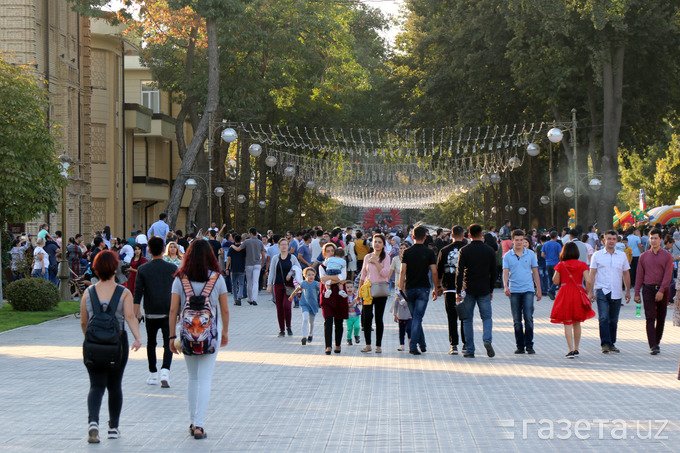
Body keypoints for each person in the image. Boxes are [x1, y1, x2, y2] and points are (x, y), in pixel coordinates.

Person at [169, 239, 229, 440]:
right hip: (210, 335)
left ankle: (193, 420)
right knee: (205, 378)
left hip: (186, 335)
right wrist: (225, 332)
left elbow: (173, 311)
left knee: (192, 378)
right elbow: (225, 309)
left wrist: (171, 336)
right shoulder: (217, 279)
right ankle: (200, 425)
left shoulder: (180, 279)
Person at [80, 250, 142, 443]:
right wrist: (138, 338)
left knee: (96, 385)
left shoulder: (88, 293)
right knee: (115, 385)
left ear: (96, 269)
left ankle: (93, 423)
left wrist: (90, 339)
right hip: (117, 344)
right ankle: (113, 428)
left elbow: (84, 321)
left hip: (93, 345)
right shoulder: (124, 293)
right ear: (115, 268)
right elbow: (130, 317)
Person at [456, 224, 497, 359]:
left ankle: (470, 349)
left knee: (467, 319)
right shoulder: (490, 250)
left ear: (469, 235)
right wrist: (491, 289)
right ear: (482, 234)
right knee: (486, 317)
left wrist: (458, 291)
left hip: (469, 289)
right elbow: (494, 272)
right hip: (484, 288)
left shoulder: (464, 250)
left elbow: (459, 272)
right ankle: (487, 340)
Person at [587, 230, 631, 354]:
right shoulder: (597, 255)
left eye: (613, 239)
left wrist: (628, 291)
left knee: (613, 319)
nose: (611, 241)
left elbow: (626, 273)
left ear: (617, 240)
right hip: (601, 290)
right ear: (603, 240)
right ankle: (605, 343)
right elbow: (592, 273)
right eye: (609, 239)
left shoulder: (622, 255)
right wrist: (590, 291)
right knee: (603, 317)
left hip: (616, 291)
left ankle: (612, 343)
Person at [398, 225, 439, 356]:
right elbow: (434, 271)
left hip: (410, 288)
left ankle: (422, 344)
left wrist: (400, 287)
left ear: (413, 237)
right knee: (417, 317)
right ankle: (413, 345)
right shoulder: (429, 252)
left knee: (416, 317)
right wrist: (436, 288)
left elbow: (402, 271)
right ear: (425, 237)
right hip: (423, 289)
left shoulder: (407, 252)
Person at [551, 242, 596, 357]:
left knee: (567, 322)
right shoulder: (582, 265)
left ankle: (570, 349)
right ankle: (577, 348)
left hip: (565, 292)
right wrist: (586, 291)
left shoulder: (561, 265)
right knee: (577, 322)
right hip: (578, 292)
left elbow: (555, 281)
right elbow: (589, 280)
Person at [634, 228, 674, 355]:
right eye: (651, 238)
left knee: (661, 317)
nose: (654, 240)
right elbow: (639, 275)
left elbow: (668, 276)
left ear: (661, 239)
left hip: (663, 289)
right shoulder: (643, 257)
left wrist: (661, 290)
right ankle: (653, 345)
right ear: (649, 239)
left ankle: (657, 341)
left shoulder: (667, 256)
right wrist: (636, 292)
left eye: (656, 238)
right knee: (650, 317)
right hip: (648, 289)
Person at [502, 229, 542, 355]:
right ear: (512, 241)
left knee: (529, 318)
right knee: (517, 320)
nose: (519, 242)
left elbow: (535, 272)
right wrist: (505, 286)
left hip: (528, 290)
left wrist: (539, 289)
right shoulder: (507, 256)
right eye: (517, 240)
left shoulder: (530, 254)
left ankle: (529, 345)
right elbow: (505, 272)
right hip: (514, 290)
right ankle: (520, 346)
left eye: (521, 240)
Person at [437, 225, 467, 355]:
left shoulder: (444, 250)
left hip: (448, 287)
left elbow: (438, 270)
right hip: (465, 289)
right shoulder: (467, 249)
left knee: (451, 317)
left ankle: (453, 345)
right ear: (463, 235)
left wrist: (437, 287)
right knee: (465, 317)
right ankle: (466, 344)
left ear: (451, 235)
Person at [359, 234, 392, 353]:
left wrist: (376, 262)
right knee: (367, 317)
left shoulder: (386, 257)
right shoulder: (367, 256)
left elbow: (385, 274)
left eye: (379, 242)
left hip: (380, 290)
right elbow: (363, 274)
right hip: (367, 290)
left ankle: (378, 345)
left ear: (383, 245)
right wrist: (359, 290)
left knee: (379, 318)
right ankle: (368, 344)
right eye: (375, 242)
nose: (377, 244)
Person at [318, 242, 349, 354]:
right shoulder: (322, 266)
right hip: (327, 294)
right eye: (328, 251)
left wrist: (330, 278)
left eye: (332, 250)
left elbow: (343, 277)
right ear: (324, 253)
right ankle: (328, 346)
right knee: (328, 320)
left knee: (339, 321)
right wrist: (336, 279)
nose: (330, 253)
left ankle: (338, 344)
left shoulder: (342, 264)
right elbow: (322, 279)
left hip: (339, 294)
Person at [267, 238, 301, 337]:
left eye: (285, 244)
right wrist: (269, 284)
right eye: (282, 244)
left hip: (289, 286)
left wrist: (290, 273)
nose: (284, 246)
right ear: (279, 246)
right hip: (277, 285)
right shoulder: (275, 258)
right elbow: (272, 272)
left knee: (287, 306)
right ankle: (282, 330)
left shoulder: (292, 258)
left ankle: (289, 327)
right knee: (279, 308)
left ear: (288, 246)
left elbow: (298, 268)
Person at [290, 267, 320, 345]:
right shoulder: (303, 283)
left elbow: (322, 290)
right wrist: (292, 296)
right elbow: (297, 289)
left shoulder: (316, 284)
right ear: (305, 276)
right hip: (304, 304)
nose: (311, 276)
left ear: (315, 275)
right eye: (309, 275)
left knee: (311, 322)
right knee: (305, 319)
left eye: (312, 275)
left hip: (313, 305)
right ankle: (304, 336)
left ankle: (310, 334)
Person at [242, 228, 265, 306]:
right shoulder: (260, 242)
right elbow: (263, 254)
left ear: (250, 233)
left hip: (248, 264)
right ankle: (255, 299)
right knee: (256, 282)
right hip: (257, 264)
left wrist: (232, 246)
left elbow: (239, 249)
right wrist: (262, 263)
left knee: (249, 282)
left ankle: (250, 298)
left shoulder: (246, 241)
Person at [226, 234, 247, 306]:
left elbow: (229, 259)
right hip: (242, 268)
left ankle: (235, 299)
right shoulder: (243, 248)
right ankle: (239, 297)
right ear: (241, 240)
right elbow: (245, 257)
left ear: (234, 240)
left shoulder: (231, 248)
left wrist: (227, 268)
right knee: (241, 284)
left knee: (234, 285)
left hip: (233, 268)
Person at [542, 231, 562, 300]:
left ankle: (552, 294)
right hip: (555, 264)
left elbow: (542, 254)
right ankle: (551, 291)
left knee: (550, 279)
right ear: (556, 236)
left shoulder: (545, 244)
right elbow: (560, 255)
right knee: (557, 279)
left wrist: (547, 258)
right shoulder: (557, 245)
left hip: (548, 263)